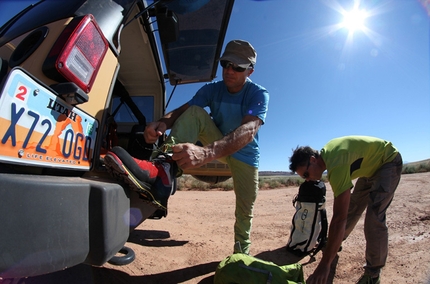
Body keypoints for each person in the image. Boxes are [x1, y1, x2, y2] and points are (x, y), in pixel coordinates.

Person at [104, 39, 269, 255]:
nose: (229, 71)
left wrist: (206, 152)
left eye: (237, 67)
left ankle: (241, 256)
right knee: (194, 114)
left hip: (244, 156)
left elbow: (248, 131)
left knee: (245, 212)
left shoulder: (258, 93)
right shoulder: (213, 89)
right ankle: (161, 171)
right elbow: (182, 111)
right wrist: (161, 123)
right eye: (226, 64)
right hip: (218, 141)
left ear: (250, 72)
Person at [288, 135, 402, 284]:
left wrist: (324, 265)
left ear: (313, 159)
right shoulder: (328, 155)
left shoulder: (336, 163)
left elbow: (339, 218)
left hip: (388, 162)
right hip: (370, 170)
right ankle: (335, 243)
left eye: (306, 174)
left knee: (374, 217)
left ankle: (373, 274)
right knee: (353, 208)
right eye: (304, 178)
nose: (307, 180)